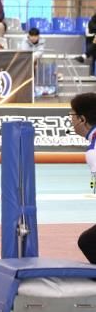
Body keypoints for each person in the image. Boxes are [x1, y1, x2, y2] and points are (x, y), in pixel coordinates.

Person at [70, 92, 96, 264]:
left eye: (72, 115)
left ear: (82, 119)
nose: (70, 120)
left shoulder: (93, 150)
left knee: (88, 242)